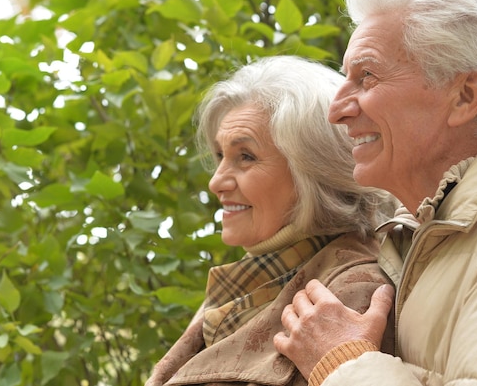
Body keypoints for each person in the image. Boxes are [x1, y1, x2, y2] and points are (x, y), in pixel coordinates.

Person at [273, 0, 477, 385]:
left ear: (465, 95)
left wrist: (343, 365)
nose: (336, 110)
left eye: (367, 76)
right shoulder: (416, 241)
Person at [144, 55, 397, 386]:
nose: (216, 182)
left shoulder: (348, 293)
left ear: (313, 171)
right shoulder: (245, 289)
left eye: (245, 156)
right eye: (220, 156)